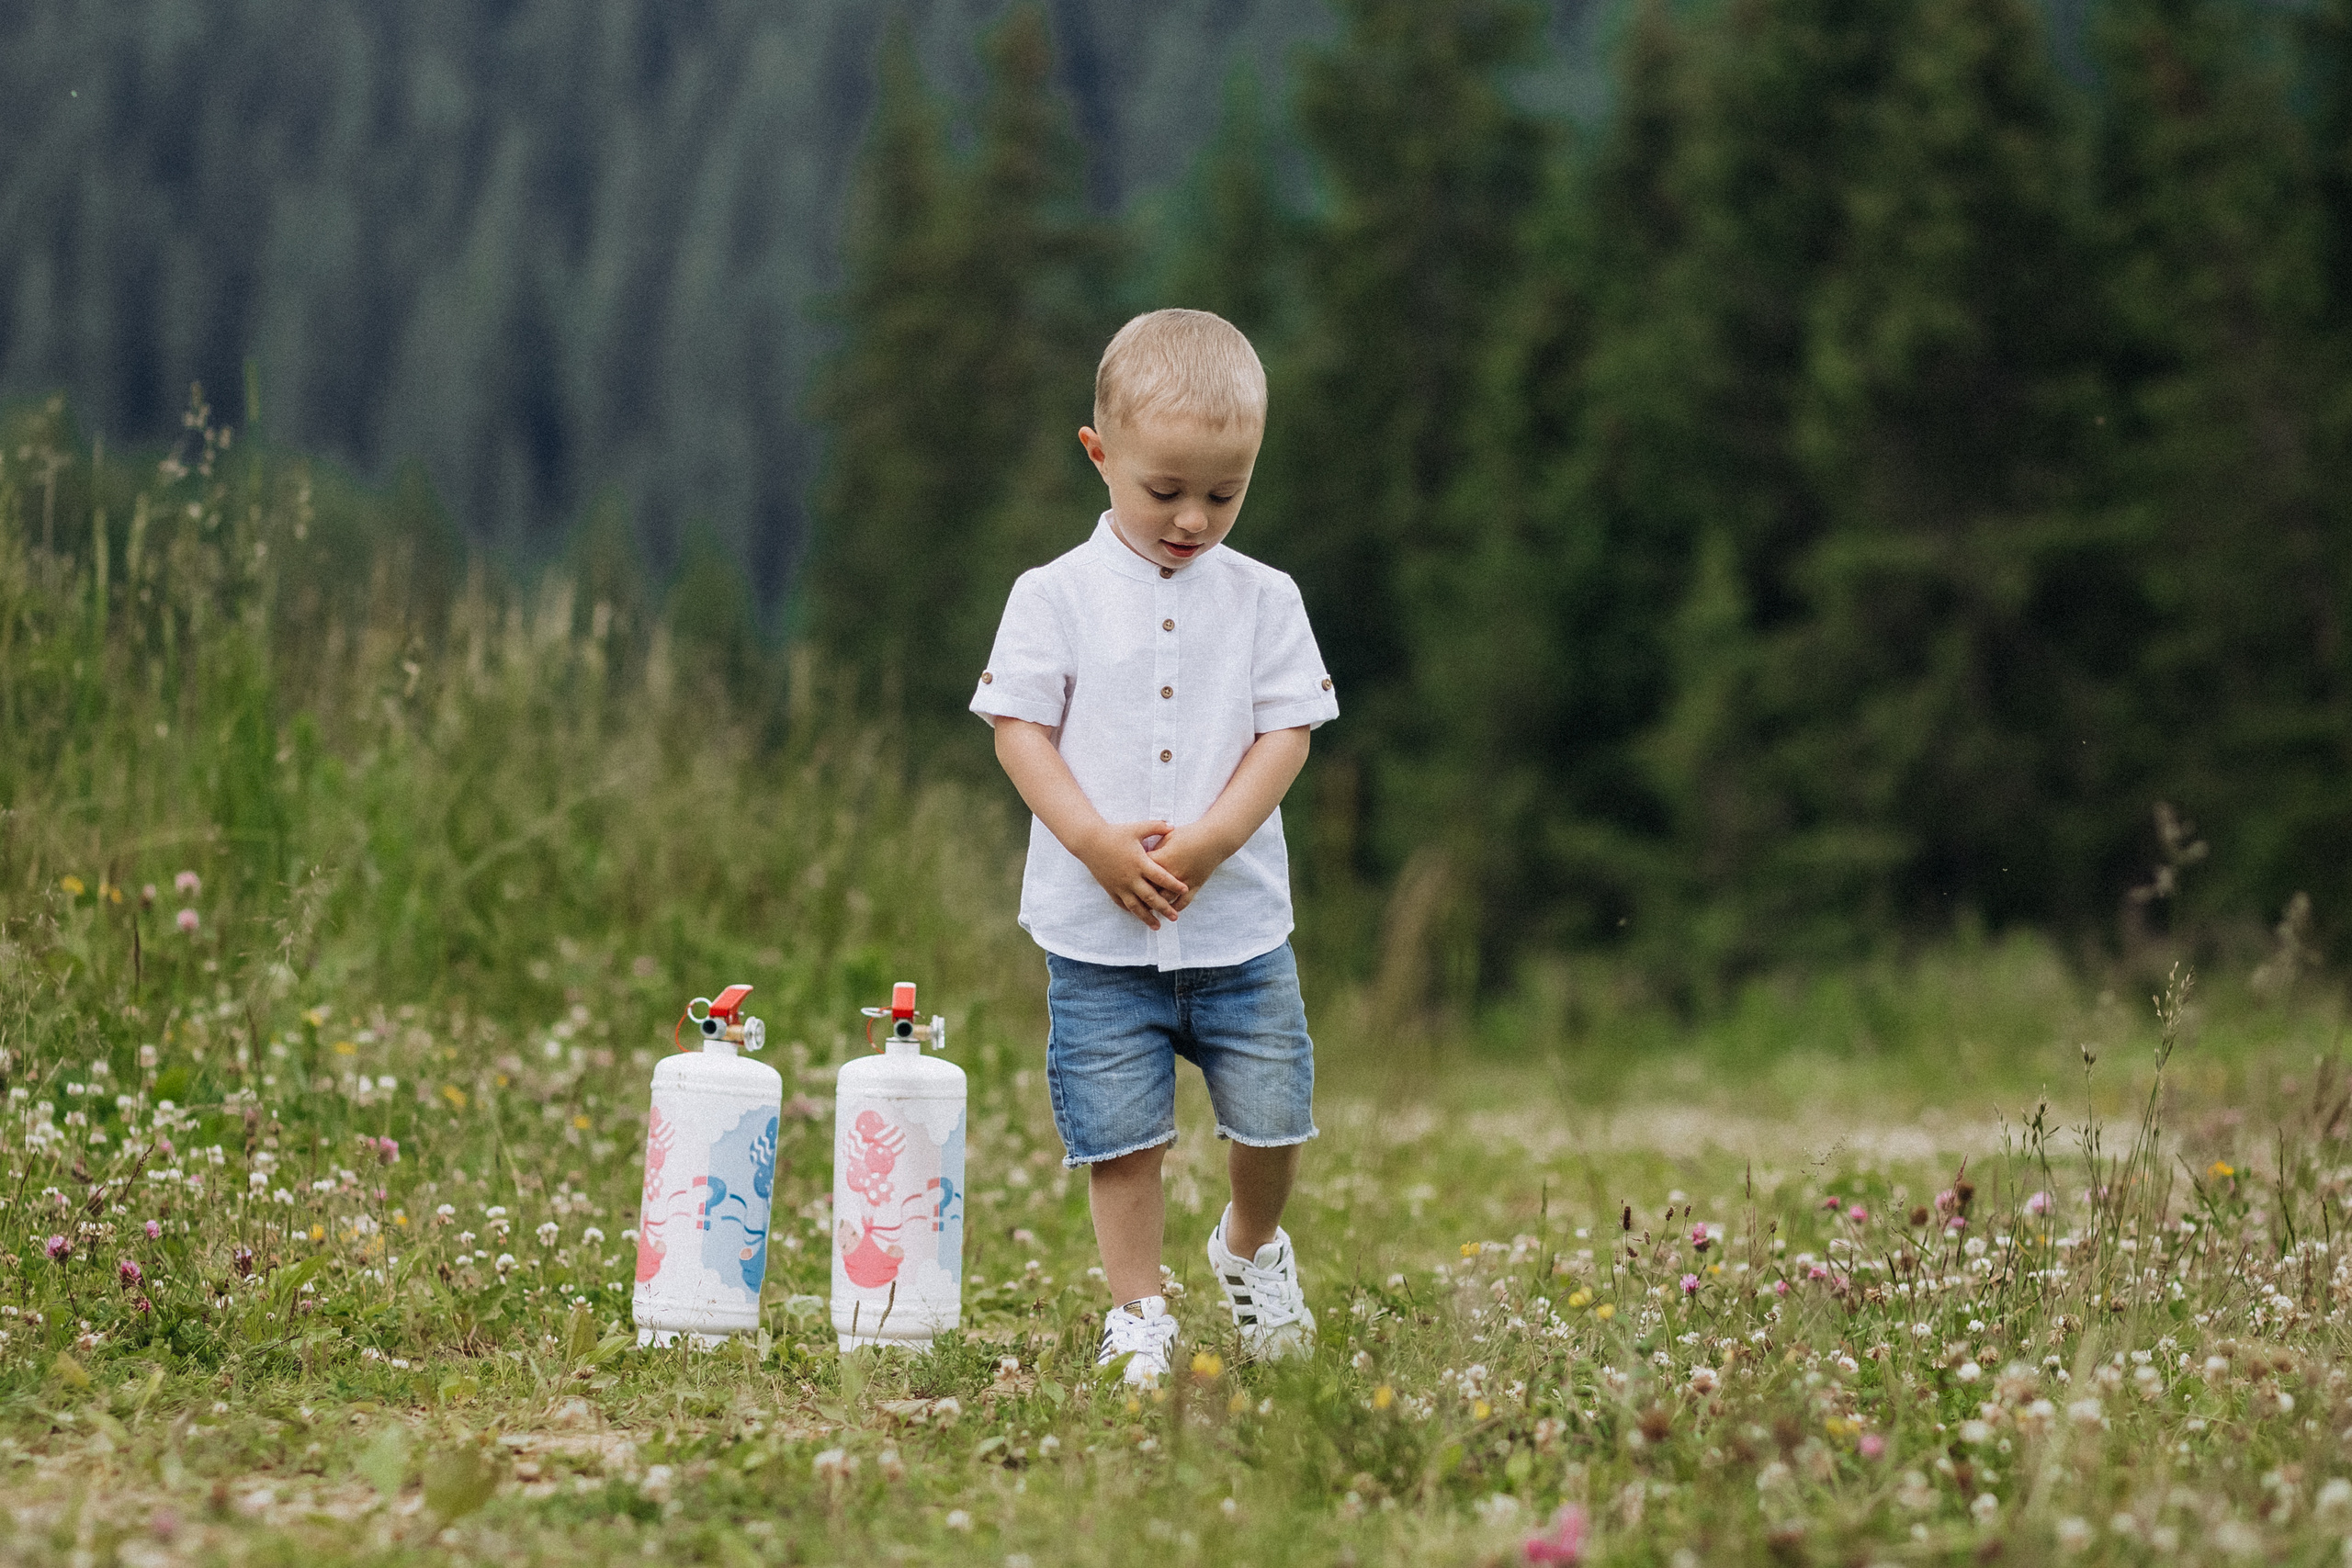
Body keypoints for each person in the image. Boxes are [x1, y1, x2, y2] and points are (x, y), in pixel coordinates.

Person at [970, 309, 1339, 1385]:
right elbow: (1018, 731)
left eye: (1222, 495)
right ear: (1100, 456)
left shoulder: (1266, 597)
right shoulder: (1053, 596)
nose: (1191, 518)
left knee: (1273, 1118)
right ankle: (1139, 1310)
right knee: (1120, 1137)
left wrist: (1220, 835)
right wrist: (1089, 839)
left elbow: (1288, 731)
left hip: (1237, 926)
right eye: (1163, 490)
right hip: (1098, 933)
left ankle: (1250, 1247)